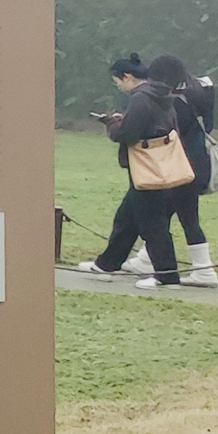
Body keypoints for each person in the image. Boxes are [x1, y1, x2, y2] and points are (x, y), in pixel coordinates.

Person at [72, 53, 187, 288]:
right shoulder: (161, 95)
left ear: (127, 77)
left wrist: (111, 124)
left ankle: (167, 275)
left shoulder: (140, 98)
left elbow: (127, 134)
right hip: (158, 165)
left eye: (117, 81)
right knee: (127, 218)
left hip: (146, 168)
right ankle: (107, 264)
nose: (118, 86)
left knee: (152, 223)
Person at [120, 55, 218, 286]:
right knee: (174, 214)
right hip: (198, 162)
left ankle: (202, 271)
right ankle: (148, 259)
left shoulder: (172, 101)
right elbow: (209, 125)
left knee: (172, 216)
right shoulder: (198, 93)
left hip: (176, 163)